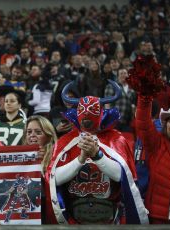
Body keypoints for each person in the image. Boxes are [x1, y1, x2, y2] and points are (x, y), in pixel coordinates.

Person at [45, 80, 148, 224]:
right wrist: (80, 159)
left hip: (110, 220)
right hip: (74, 220)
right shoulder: (65, 141)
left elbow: (123, 177)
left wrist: (97, 155)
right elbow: (53, 179)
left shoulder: (117, 139)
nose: (87, 124)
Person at [132, 55, 170, 224]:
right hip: (157, 220)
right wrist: (145, 96)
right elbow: (143, 124)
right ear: (165, 125)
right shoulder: (156, 144)